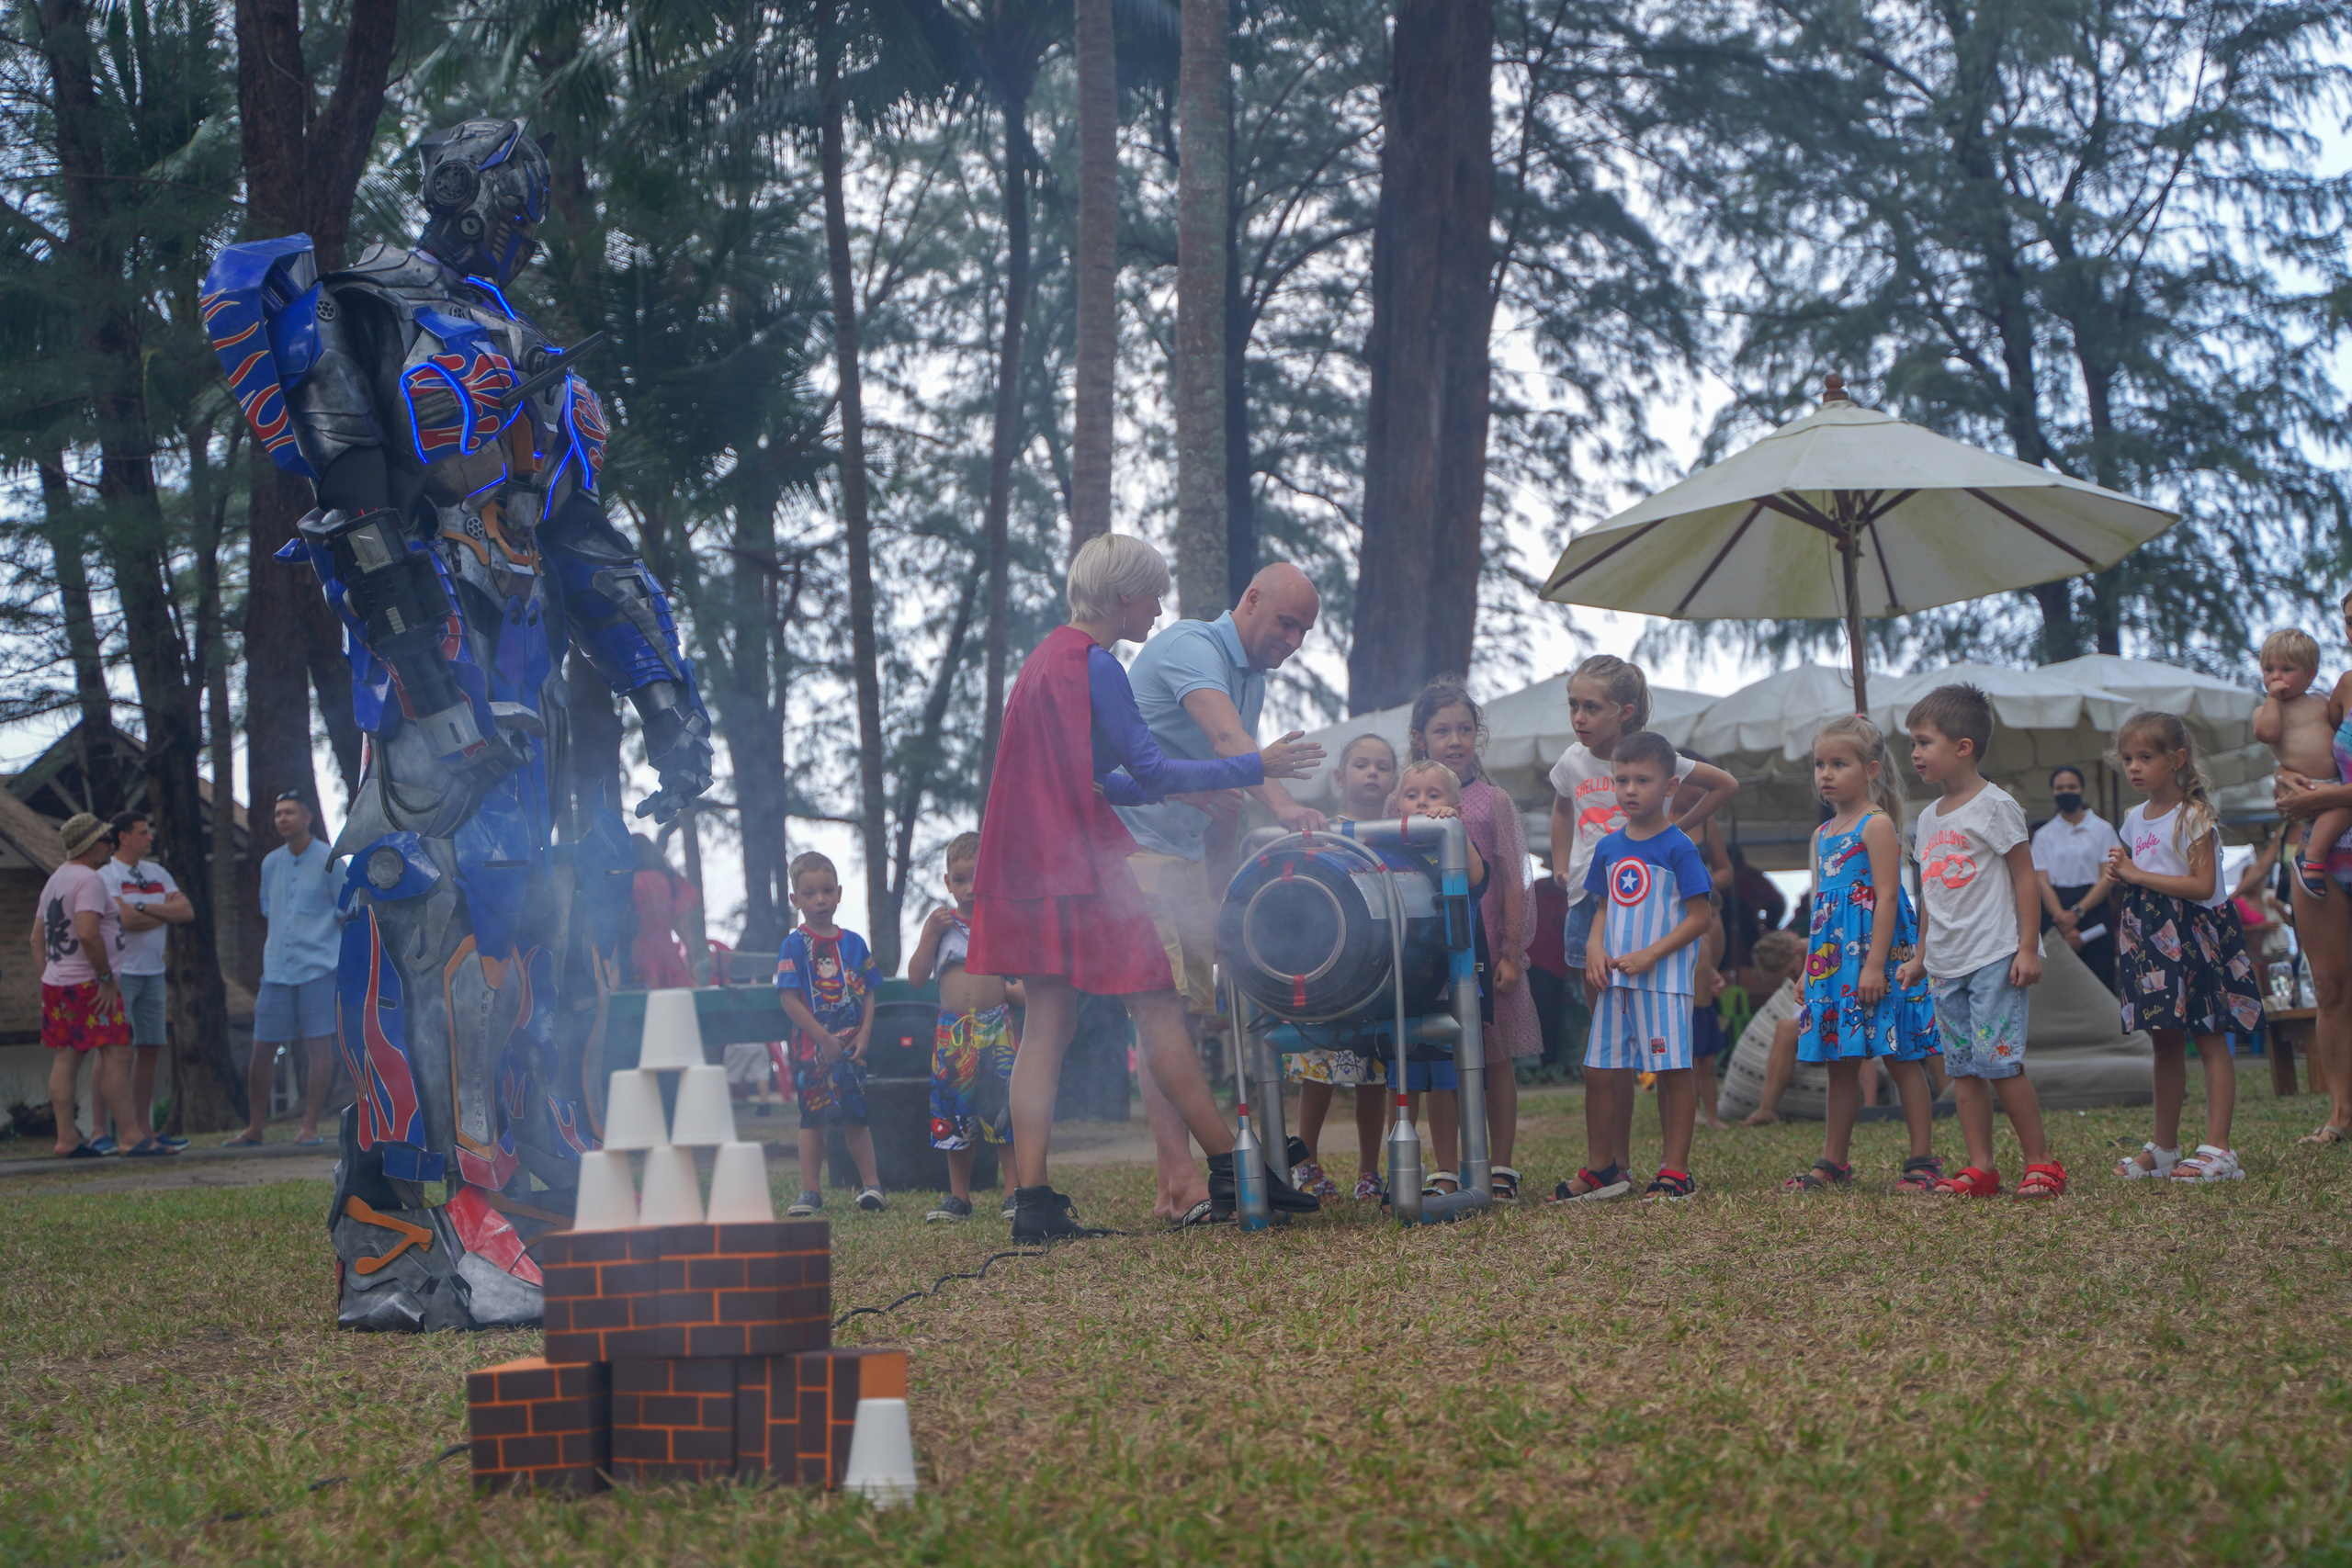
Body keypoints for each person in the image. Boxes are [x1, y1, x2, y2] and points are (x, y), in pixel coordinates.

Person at [967, 534, 1326, 1240]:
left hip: (1024, 859)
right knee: (1159, 1004)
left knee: (1047, 1024)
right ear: (1125, 595)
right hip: (1084, 862)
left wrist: (1191, 796)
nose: (1160, 609)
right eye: (1154, 594)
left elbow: (1105, 774)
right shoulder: (1096, 663)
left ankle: (1032, 1201)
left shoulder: (1043, 660)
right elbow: (1153, 769)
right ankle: (1234, 1169)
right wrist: (1257, 766)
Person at [1113, 559, 1328, 1221]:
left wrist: (1213, 896)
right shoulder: (1191, 645)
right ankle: (1187, 1178)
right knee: (1162, 1013)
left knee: (1176, 1017)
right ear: (1251, 598)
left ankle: (1171, 1185)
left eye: (1303, 633)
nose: (1291, 640)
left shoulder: (1252, 677)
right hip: (1131, 848)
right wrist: (1287, 806)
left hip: (1179, 857)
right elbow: (1230, 742)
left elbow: (1226, 793)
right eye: (1285, 623)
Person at [1546, 655, 1737, 1196]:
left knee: (1667, 1053)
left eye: (1591, 706)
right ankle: (1609, 1164)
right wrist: (1562, 864)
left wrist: (1676, 829)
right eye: (1574, 706)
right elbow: (1563, 811)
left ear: (1624, 711)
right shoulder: (1576, 768)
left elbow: (1724, 786)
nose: (1579, 717)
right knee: (1607, 1049)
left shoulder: (1666, 781)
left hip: (1658, 921)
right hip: (1594, 902)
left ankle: (1672, 1166)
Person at [2075, 713, 2264, 1182]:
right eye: (2127, 758)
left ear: (2177, 760)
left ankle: (2219, 1149)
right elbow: (2137, 870)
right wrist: (2122, 865)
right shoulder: (2133, 818)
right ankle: (2164, 1148)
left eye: (2146, 757)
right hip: (2152, 940)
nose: (2134, 767)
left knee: (2210, 1035)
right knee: (2163, 1039)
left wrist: (2136, 873)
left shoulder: (2195, 815)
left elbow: (2202, 886)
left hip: (2196, 937)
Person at [1898, 684, 2065, 1200]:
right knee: (1963, 1069)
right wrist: (1921, 957)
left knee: (2000, 1062)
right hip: (1946, 964)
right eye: (1913, 744)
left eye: (1924, 742)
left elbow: (2024, 878)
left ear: (1963, 747)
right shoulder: (1926, 820)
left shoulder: (1996, 807)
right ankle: (1980, 1168)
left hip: (1994, 956)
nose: (1915, 754)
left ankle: (2041, 1164)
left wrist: (2028, 947)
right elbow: (1928, 892)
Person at [1784, 716, 1940, 1193]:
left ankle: (1922, 1159)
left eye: (1839, 763)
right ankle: (1834, 1161)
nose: (1825, 774)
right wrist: (1810, 970)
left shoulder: (1877, 825)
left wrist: (1876, 965)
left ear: (1871, 769)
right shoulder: (1822, 835)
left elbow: (1891, 898)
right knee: (1840, 1061)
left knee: (1900, 1054)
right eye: (1819, 764)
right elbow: (1819, 908)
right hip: (1834, 963)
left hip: (1878, 957)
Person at [1559, 730, 1715, 1202]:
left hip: (1663, 984)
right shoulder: (1606, 846)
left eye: (1642, 780)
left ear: (1669, 786)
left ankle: (1676, 1172)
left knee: (1671, 1070)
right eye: (1621, 780)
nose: (1630, 790)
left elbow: (1701, 917)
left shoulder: (1679, 847)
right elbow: (1603, 905)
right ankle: (1603, 1168)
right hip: (1613, 983)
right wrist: (1593, 945)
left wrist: (1652, 954)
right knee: (1600, 1070)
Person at [1397, 679, 1535, 1201]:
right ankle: (1447, 1167)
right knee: (1439, 1056)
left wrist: (1511, 950)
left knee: (1494, 1056)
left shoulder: (1492, 802)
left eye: (1464, 729)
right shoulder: (1403, 799)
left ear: (1478, 734)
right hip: (1428, 949)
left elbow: (1512, 878)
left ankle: (1501, 1166)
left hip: (1484, 948)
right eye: (1441, 730)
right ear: (1419, 738)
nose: (1455, 740)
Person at [1287, 732, 1397, 1202]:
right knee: (1320, 1068)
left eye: (1382, 766)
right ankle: (1304, 1161)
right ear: (1339, 777)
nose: (1372, 773)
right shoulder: (1325, 834)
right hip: (1328, 972)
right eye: (1361, 765)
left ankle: (1369, 1171)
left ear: (1394, 780)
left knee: (1374, 1074)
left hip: (1377, 974)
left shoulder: (1400, 831)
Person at [906, 833, 1023, 1223]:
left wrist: (1016, 992)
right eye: (960, 880)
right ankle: (959, 1197)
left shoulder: (1002, 922)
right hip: (953, 1032)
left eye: (978, 878)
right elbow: (917, 978)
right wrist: (928, 936)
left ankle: (1013, 1192)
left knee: (1004, 1111)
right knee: (954, 1116)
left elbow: (1022, 980)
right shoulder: (941, 925)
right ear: (947, 883)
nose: (970, 889)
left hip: (997, 1029)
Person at [1390, 759, 1491, 1197]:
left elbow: (1475, 877)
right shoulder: (1390, 849)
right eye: (1413, 795)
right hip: (1404, 982)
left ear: (1455, 806)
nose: (1423, 803)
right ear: (1398, 806)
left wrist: (1457, 832)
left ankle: (1449, 1170)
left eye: (1434, 796)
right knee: (1404, 1078)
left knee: (1447, 1082)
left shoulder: (1455, 841)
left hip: (1452, 981)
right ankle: (1401, 1172)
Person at [31, 815, 153, 1158]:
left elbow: (35, 939)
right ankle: (130, 1135)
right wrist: (104, 979)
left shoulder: (55, 880)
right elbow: (87, 932)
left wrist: (48, 978)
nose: (109, 845)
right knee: (116, 1051)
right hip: (90, 985)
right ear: (90, 845)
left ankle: (66, 1137)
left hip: (58, 984)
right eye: (104, 840)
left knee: (66, 1056)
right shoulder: (89, 880)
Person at [229, 793, 342, 1149]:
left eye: (290, 812)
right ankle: (255, 1127)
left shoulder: (330, 860)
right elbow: (268, 910)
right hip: (277, 969)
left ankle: (309, 1127)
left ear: (307, 817)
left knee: (318, 1047)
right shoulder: (270, 863)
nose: (283, 819)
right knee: (263, 1048)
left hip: (319, 968)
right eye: (278, 813)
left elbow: (345, 912)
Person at [775, 852, 885, 1216]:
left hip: (853, 1049)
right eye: (809, 893)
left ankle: (872, 1186)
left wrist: (865, 1033)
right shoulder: (793, 946)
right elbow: (789, 1000)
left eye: (826, 891)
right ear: (795, 900)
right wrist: (822, 1038)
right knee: (813, 1119)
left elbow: (869, 989)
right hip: (812, 1050)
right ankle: (810, 1191)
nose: (819, 900)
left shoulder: (854, 943)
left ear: (838, 893)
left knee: (857, 1117)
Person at [95, 810, 193, 1153]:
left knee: (150, 1047)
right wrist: (152, 910)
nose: (150, 837)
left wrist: (139, 907)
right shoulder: (107, 876)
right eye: (142, 832)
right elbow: (122, 921)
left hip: (153, 971)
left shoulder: (157, 873)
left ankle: (144, 1129)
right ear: (123, 837)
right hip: (121, 973)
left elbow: (186, 912)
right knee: (109, 1051)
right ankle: (99, 1131)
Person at [2255, 625, 2350, 898]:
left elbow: (2337, 736)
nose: (2276, 677)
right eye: (2269, 669)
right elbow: (2267, 734)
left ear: (2310, 675)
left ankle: (2315, 857)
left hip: (2336, 782)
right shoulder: (2266, 712)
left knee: (2342, 808)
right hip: (2307, 785)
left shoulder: (2321, 701)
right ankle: (2313, 859)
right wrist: (2272, 698)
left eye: (2286, 670)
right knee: (2341, 808)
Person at [2033, 765, 2123, 993]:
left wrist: (2078, 912)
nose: (2066, 791)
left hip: (2093, 908)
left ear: (2082, 789)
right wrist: (2063, 919)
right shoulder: (2044, 835)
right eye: (2060, 787)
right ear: (2053, 792)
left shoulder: (2102, 829)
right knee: (2059, 984)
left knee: (2100, 980)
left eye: (2071, 787)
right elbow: (2041, 880)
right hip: (2056, 912)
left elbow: (2109, 876)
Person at [1732, 929, 1808, 1125]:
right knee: (1786, 1027)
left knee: (1786, 1028)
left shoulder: (1821, 949)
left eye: (1792, 972)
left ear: (1796, 951)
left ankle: (1766, 1108)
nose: (1792, 979)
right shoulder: (1797, 958)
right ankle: (1765, 1108)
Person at [629, 834, 705, 989]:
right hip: (668, 955)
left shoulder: (629, 882)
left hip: (637, 954)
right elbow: (684, 929)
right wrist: (691, 964)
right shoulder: (669, 880)